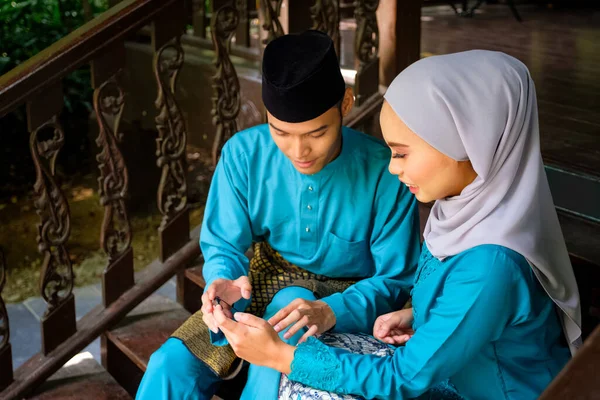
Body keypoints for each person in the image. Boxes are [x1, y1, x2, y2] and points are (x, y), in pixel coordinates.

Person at [212, 50, 583, 400]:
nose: (391, 167)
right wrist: (418, 316)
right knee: (302, 357)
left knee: (298, 373)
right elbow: (469, 309)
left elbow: (403, 377)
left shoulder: (491, 264)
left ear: (469, 143)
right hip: (447, 376)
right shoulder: (463, 216)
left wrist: (278, 356)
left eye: (402, 152)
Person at [135, 30, 421, 400]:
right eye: (281, 132)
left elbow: (396, 279)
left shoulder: (386, 171)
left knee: (273, 366)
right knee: (170, 365)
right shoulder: (243, 155)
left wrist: (330, 311)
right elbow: (223, 243)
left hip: (349, 298)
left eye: (317, 133)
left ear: (346, 104)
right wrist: (223, 280)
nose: (299, 150)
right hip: (264, 282)